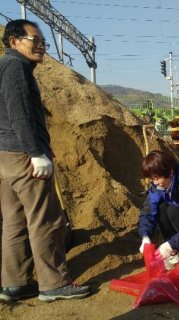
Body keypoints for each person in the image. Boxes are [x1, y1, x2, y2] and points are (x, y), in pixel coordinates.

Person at [0, 19, 90, 302]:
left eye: (43, 42)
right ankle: (53, 284)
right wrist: (35, 152)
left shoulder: (7, 66)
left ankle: (14, 284)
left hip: (6, 156)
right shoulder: (15, 67)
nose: (41, 45)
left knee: (14, 221)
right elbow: (19, 114)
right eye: (34, 40)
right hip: (22, 155)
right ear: (14, 41)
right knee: (46, 219)